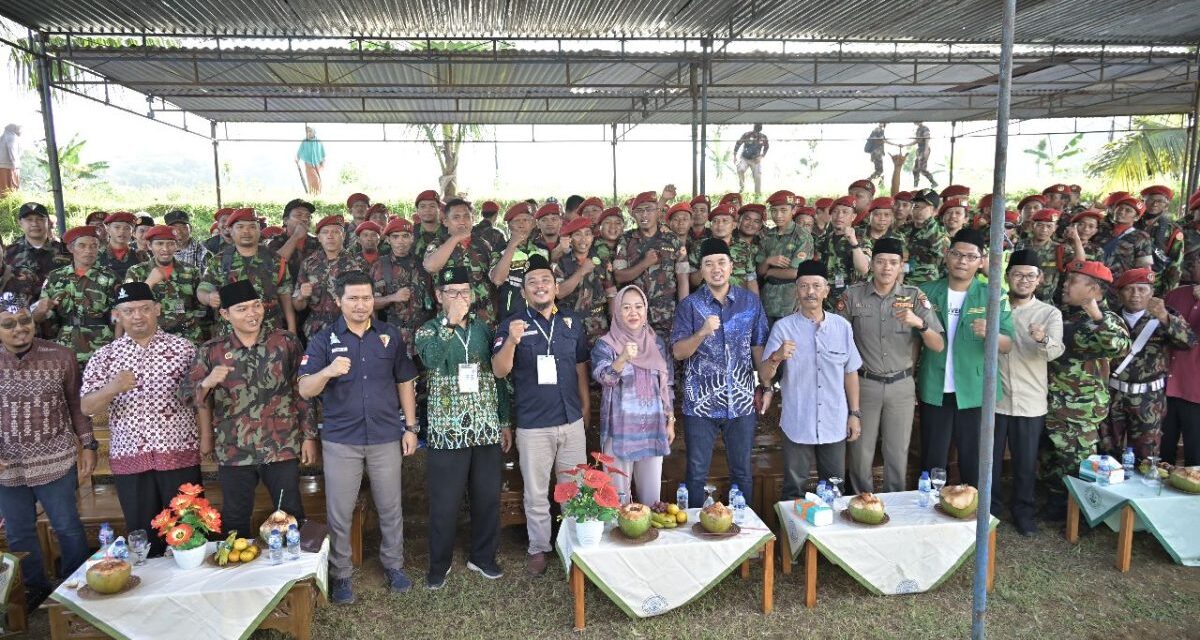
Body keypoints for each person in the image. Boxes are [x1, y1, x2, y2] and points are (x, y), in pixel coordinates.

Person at [299, 271, 420, 602]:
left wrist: (410, 427)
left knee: (390, 506)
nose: (360, 304)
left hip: (384, 436)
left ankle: (394, 565)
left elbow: (404, 382)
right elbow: (305, 388)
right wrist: (327, 371)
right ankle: (341, 574)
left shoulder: (389, 335)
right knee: (340, 510)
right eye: (353, 298)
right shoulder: (324, 339)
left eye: (366, 298)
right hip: (342, 440)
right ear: (339, 301)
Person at [81, 282, 201, 556]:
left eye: (145, 309)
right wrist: (112, 387)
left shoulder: (185, 349)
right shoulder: (105, 356)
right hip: (130, 458)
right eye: (129, 310)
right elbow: (86, 406)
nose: (137, 316)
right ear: (117, 315)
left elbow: (202, 398)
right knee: (143, 539)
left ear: (157, 310)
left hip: (178, 454)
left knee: (189, 533)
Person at [491, 253, 590, 577]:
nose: (539, 286)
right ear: (524, 292)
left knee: (573, 488)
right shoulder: (511, 325)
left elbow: (579, 368)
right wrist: (512, 342)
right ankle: (539, 548)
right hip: (534, 425)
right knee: (536, 493)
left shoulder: (572, 322)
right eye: (532, 282)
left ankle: (573, 545)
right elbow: (499, 370)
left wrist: (585, 407)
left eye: (545, 280)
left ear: (555, 286)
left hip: (571, 420)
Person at [414, 267, 508, 589]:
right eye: (452, 292)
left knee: (487, 497)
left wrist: (504, 421)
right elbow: (430, 359)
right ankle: (439, 564)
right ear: (439, 296)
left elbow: (499, 377)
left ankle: (483, 557)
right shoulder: (427, 331)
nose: (460, 298)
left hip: (484, 428)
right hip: (446, 431)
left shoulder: (485, 329)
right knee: (445, 502)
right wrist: (449, 322)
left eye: (465, 293)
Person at [0, 292, 95, 608]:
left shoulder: (60, 355)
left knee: (67, 527)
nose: (19, 328)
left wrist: (88, 444)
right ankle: (34, 587)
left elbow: (76, 405)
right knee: (18, 533)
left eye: (25, 320)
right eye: (9, 324)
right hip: (7, 465)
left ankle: (77, 586)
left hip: (55, 458)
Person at [839, 238, 944, 494]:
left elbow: (938, 344)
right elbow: (838, 339)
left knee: (897, 452)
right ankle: (862, 504)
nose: (887, 267)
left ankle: (897, 508)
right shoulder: (853, 296)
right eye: (881, 261)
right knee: (860, 452)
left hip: (901, 386)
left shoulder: (914, 296)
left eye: (893, 263)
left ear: (901, 267)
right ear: (871, 264)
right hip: (865, 384)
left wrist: (920, 323)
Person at [671, 238, 768, 507]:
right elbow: (678, 352)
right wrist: (701, 332)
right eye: (709, 264)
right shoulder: (689, 306)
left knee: (742, 472)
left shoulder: (750, 303)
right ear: (700, 271)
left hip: (741, 402)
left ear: (731, 266)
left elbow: (758, 348)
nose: (716, 269)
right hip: (700, 405)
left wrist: (767, 386)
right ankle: (695, 534)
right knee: (696, 472)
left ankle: (745, 534)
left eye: (721, 263)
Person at [917, 229, 1014, 488]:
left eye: (971, 256)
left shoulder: (994, 294)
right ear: (947, 256)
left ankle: (974, 518)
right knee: (933, 458)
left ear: (981, 261)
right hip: (935, 387)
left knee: (974, 458)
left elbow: (1007, 344)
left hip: (974, 390)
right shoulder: (926, 292)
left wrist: (991, 334)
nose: (962, 261)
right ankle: (930, 514)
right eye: (957, 254)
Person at [761, 261, 862, 499]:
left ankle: (830, 537)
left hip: (834, 421)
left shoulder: (842, 327)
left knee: (835, 489)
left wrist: (854, 414)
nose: (810, 292)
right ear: (796, 290)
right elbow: (765, 376)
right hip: (798, 421)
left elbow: (850, 373)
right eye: (804, 286)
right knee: (793, 490)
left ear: (826, 290)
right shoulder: (783, 328)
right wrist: (777, 356)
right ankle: (792, 537)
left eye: (816, 286)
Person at [1043, 260, 1130, 520]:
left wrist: (1098, 316)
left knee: (1077, 465)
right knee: (1052, 461)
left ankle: (1081, 516)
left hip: (1079, 412)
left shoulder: (1106, 319)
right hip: (1051, 404)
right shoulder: (1061, 314)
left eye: (1072, 282)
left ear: (1093, 289)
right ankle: (1056, 508)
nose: (1065, 285)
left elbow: (1119, 346)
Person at [994, 251, 1064, 536]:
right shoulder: (994, 307)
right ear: (1008, 276)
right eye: (1018, 274)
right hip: (995, 401)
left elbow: (1055, 350)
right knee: (991, 461)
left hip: (1030, 402)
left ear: (1040, 280)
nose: (1024, 280)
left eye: (1030, 276)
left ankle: (1023, 512)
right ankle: (992, 511)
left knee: (1024, 463)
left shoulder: (1049, 313)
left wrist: (1042, 338)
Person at [592, 286, 674, 505]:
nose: (633, 313)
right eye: (626, 307)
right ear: (617, 311)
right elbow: (604, 377)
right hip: (620, 432)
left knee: (652, 502)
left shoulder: (657, 343)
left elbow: (668, 386)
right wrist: (622, 358)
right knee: (617, 505)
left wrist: (670, 421)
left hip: (653, 431)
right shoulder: (606, 344)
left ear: (645, 310)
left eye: (638, 307)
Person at [1103, 268, 1196, 460]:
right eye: (1129, 289)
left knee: (1147, 455)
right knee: (1107, 450)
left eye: (1142, 289)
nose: (1136, 295)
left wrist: (1164, 317)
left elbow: (1188, 342)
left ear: (1152, 293)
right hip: (1113, 395)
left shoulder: (1165, 316)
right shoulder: (1109, 318)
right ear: (1120, 293)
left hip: (1149, 398)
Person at [198, 208, 297, 335]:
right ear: (231, 231)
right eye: (240, 227)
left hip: (269, 332)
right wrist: (208, 297)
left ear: (259, 231)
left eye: (252, 227)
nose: (246, 231)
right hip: (231, 334)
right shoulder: (218, 261)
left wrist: (292, 329)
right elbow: (203, 289)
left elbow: (285, 296)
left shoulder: (275, 260)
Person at [33, 226, 117, 366]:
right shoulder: (56, 277)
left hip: (101, 344)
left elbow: (118, 315)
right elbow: (41, 314)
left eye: (94, 246)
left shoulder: (109, 277)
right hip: (65, 344)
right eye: (82, 245)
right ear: (71, 248)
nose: (88, 251)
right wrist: (40, 311)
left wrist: (117, 346)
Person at [614, 191, 690, 339]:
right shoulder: (626, 240)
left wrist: (684, 313)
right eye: (639, 211)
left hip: (667, 316)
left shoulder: (672, 240)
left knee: (667, 359)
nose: (644, 215)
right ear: (633, 215)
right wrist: (644, 264)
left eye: (649, 209)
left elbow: (683, 279)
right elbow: (619, 276)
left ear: (657, 212)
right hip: (635, 317)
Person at [422, 198, 498, 326]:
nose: (462, 221)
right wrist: (456, 237)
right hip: (451, 316)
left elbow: (495, 280)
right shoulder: (438, 244)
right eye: (456, 217)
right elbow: (431, 267)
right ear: (445, 221)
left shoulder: (483, 245)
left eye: (466, 216)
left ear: (472, 219)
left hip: (483, 317)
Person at [124, 225, 206, 343]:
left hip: (187, 337)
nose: (165, 249)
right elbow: (128, 305)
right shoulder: (136, 272)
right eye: (159, 244)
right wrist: (149, 282)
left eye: (170, 244)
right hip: (151, 338)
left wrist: (193, 323)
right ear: (149, 245)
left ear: (176, 246)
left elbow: (200, 306)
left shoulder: (191, 271)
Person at [293, 215, 369, 339]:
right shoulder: (309, 263)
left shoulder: (358, 263)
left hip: (349, 328)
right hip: (316, 331)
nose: (330, 236)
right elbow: (298, 305)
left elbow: (368, 300)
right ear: (319, 237)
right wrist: (301, 296)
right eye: (325, 232)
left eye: (335, 232)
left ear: (343, 236)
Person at [3, 203, 71, 329]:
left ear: (48, 222)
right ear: (20, 223)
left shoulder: (66, 251)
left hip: (61, 324)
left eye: (40, 219)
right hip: (22, 325)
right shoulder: (9, 254)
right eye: (29, 220)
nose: (34, 224)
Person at [372, 217, 430, 356]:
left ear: (412, 238)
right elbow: (370, 302)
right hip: (393, 335)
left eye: (405, 236)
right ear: (388, 240)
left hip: (423, 334)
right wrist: (392, 297)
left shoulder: (423, 264)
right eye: (395, 237)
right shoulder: (380, 266)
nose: (400, 241)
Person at [1163, 254, 1200, 465]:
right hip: (1165, 387)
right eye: (1197, 263)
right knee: (1160, 459)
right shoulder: (1176, 295)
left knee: (1195, 461)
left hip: (1195, 391)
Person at [555, 215, 614, 344]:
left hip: (598, 324)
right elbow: (558, 293)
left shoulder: (602, 262)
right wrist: (581, 271)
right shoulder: (562, 264)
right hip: (570, 324)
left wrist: (615, 323)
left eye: (587, 234)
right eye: (577, 235)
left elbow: (611, 295)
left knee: (598, 360)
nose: (583, 239)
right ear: (570, 239)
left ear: (592, 238)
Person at [758, 190, 815, 325]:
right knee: (768, 343)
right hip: (767, 301)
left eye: (783, 210)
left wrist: (770, 271)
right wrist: (768, 261)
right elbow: (759, 271)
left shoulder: (802, 236)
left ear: (793, 210)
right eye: (774, 211)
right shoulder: (768, 236)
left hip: (791, 302)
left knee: (790, 343)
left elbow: (797, 272)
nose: (778, 215)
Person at [815, 196, 870, 305]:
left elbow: (863, 269)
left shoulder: (861, 239)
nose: (839, 216)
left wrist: (854, 244)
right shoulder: (822, 240)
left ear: (853, 216)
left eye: (845, 212)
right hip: (826, 298)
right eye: (835, 212)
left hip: (852, 297)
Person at [1137, 185, 1185, 296]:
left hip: (1155, 288)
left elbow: (1175, 265)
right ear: (1143, 202)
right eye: (1151, 200)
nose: (1155, 204)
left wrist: (1167, 295)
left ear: (1166, 205)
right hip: (1127, 284)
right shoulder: (1131, 223)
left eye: (1160, 201)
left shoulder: (1173, 231)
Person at [902, 189, 948, 287]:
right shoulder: (903, 229)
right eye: (916, 206)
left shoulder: (940, 235)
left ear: (935, 211)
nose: (919, 211)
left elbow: (946, 266)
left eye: (924, 208)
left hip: (927, 285)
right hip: (901, 282)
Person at [99, 211, 143, 281]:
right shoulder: (97, 255)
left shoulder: (140, 256)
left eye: (127, 228)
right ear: (108, 229)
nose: (122, 231)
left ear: (132, 232)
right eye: (117, 227)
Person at [734, 124, 769, 193]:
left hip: (756, 160)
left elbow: (766, 147)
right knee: (740, 169)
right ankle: (742, 187)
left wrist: (761, 156)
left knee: (758, 177)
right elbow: (738, 143)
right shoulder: (747, 135)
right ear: (753, 128)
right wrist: (734, 156)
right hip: (745, 158)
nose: (756, 133)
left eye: (758, 130)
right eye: (756, 129)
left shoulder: (763, 137)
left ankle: (757, 195)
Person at [296, 126, 325, 195]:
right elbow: (299, 151)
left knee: (319, 180)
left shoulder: (318, 141)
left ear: (314, 132)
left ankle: (317, 195)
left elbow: (322, 153)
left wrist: (322, 163)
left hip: (317, 163)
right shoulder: (304, 141)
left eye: (310, 131)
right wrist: (297, 159)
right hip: (308, 164)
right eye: (307, 132)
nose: (308, 133)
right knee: (314, 180)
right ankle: (314, 195)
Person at [912, 122, 936, 188]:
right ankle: (915, 185)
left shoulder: (924, 128)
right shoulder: (918, 130)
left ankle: (933, 182)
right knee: (915, 169)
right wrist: (905, 145)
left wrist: (926, 149)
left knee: (922, 168)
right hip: (919, 150)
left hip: (924, 149)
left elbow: (927, 138)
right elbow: (916, 141)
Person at [0, 124, 20, 195]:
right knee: (9, 192)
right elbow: (12, 151)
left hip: (3, 166)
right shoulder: (12, 137)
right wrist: (15, 168)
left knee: (2, 191)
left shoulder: (3, 136)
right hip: (8, 167)